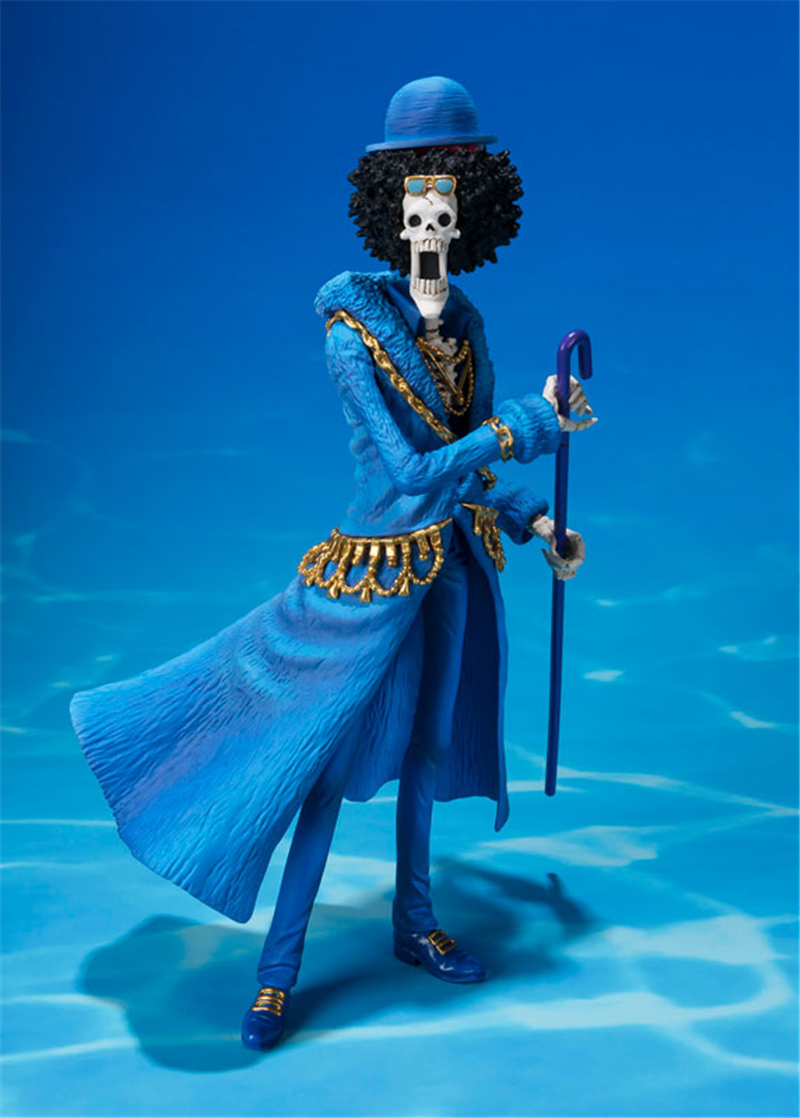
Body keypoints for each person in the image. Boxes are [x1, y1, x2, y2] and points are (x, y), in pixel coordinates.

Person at [70, 76, 596, 1053]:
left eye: (446, 207)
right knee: (318, 767)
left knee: (427, 750)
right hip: (366, 583)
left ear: (469, 212)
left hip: (451, 568)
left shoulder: (466, 323)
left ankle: (415, 922)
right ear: (391, 210)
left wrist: (534, 519)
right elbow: (410, 470)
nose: (430, 226)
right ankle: (277, 972)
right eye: (416, 207)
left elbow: (466, 471)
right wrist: (528, 422)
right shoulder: (353, 332)